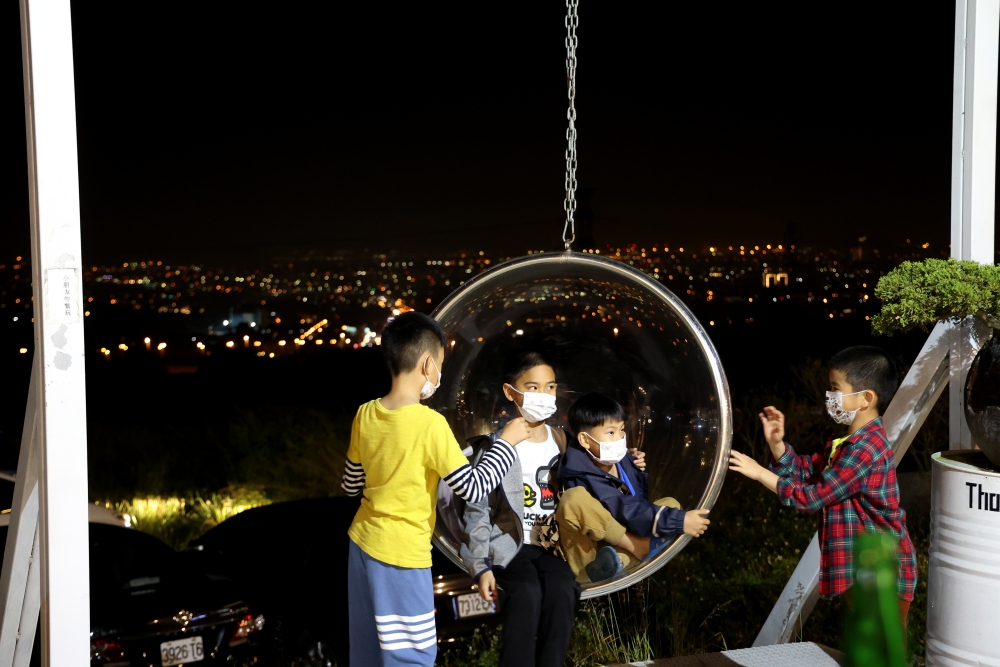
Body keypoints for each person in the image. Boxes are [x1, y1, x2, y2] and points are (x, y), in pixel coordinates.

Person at [340, 312, 531, 667]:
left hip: (361, 545)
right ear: (428, 364)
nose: (439, 373)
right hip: (401, 553)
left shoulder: (364, 413)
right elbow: (474, 488)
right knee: (412, 656)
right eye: (440, 364)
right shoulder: (430, 424)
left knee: (367, 652)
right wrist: (506, 442)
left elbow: (351, 485)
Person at [461, 352, 644, 666]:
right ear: (510, 392)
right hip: (512, 543)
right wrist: (479, 564)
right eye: (532, 387)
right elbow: (476, 509)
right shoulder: (493, 446)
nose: (543, 396)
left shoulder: (566, 443)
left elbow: (600, 482)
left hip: (555, 545)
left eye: (550, 387)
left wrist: (627, 464)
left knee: (562, 591)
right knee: (527, 593)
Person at [728, 345, 917, 630]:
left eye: (835, 388)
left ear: (865, 398)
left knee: (881, 651)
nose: (830, 397)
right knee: (868, 646)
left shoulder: (866, 449)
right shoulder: (845, 442)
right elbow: (808, 471)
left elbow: (813, 496)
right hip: (863, 567)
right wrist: (777, 445)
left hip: (881, 570)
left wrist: (759, 473)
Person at [556, 393, 711, 582]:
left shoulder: (619, 459)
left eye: (622, 430)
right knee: (574, 499)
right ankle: (633, 549)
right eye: (611, 432)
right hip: (590, 556)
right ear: (585, 440)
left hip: (615, 548)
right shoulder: (580, 472)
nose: (620, 437)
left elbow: (635, 501)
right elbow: (624, 508)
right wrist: (679, 521)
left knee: (671, 504)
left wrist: (634, 469)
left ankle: (621, 559)